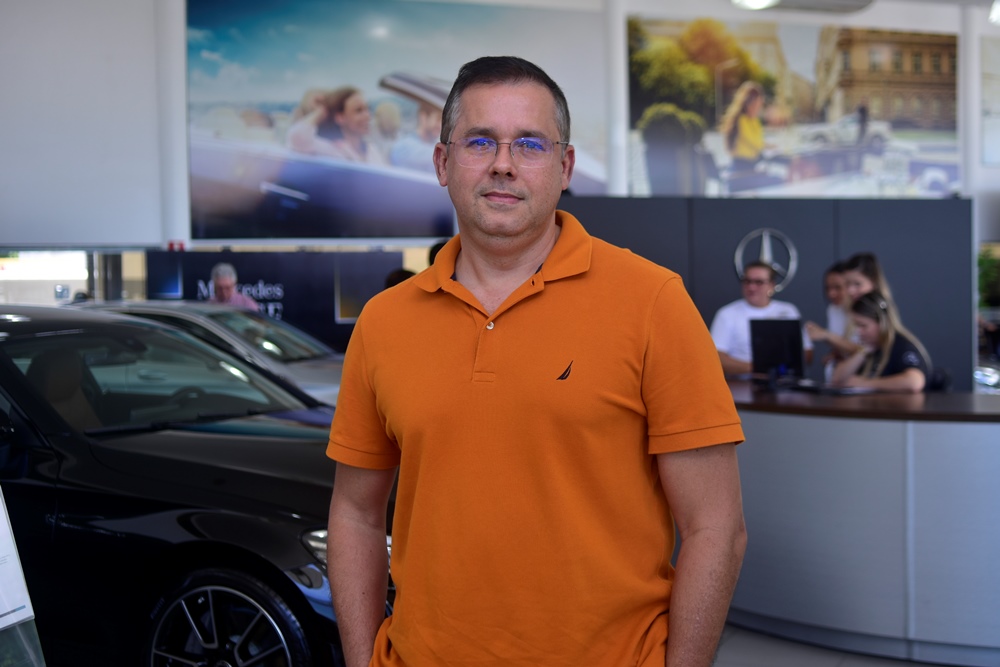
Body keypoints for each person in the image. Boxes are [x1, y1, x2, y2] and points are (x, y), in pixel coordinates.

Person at [326, 56, 746, 667]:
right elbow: (355, 513)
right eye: (479, 141)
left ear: (564, 166)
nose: (503, 163)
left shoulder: (653, 300)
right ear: (442, 163)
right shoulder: (384, 321)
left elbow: (716, 528)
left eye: (530, 144)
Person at [710, 260, 813, 377]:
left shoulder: (789, 311)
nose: (751, 287)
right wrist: (761, 368)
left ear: (772, 285)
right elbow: (716, 357)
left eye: (759, 282)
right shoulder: (726, 313)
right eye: (747, 281)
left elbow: (807, 354)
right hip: (742, 384)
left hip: (785, 383)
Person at [831, 291, 930, 393]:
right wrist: (863, 352)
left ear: (882, 323)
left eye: (863, 325)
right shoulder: (871, 347)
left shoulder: (900, 345)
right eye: (856, 326)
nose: (858, 331)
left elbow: (914, 382)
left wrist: (865, 384)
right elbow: (837, 379)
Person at [285, 86, 387, 164]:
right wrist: (320, 111)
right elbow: (297, 137)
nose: (367, 115)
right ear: (340, 117)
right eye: (358, 110)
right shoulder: (331, 150)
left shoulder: (372, 150)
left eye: (367, 109)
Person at [718, 81, 782, 191]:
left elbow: (759, 141)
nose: (758, 108)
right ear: (748, 103)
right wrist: (770, 146)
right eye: (756, 104)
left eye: (760, 104)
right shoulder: (741, 120)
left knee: (777, 177)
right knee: (779, 181)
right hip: (742, 173)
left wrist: (770, 146)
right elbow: (756, 144)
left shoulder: (754, 120)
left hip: (750, 169)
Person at [805, 261, 861, 377]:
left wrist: (826, 335)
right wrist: (835, 355)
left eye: (837, 287)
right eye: (827, 288)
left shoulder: (863, 311)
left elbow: (863, 351)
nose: (831, 294)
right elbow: (843, 346)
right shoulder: (833, 309)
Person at [390, 102, 443, 173]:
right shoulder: (404, 147)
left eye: (443, 121)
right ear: (423, 117)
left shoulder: (434, 145)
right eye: (438, 119)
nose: (440, 125)